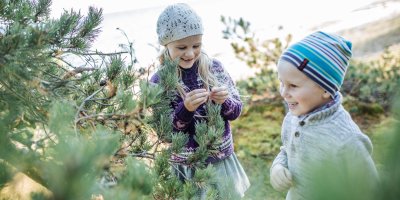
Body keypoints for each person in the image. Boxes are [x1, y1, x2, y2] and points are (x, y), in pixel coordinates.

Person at [150, 3, 250, 199]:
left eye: (196, 46)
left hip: (221, 161)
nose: (190, 53)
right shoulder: (159, 82)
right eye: (181, 47)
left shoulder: (214, 68)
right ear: (166, 44)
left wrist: (225, 101)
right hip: (187, 168)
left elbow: (236, 111)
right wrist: (185, 109)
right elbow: (166, 135)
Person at [270, 31, 379, 199]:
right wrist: (278, 166)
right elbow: (287, 150)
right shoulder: (293, 118)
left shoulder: (347, 139)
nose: (284, 93)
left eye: (293, 85)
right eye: (281, 83)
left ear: (326, 89)